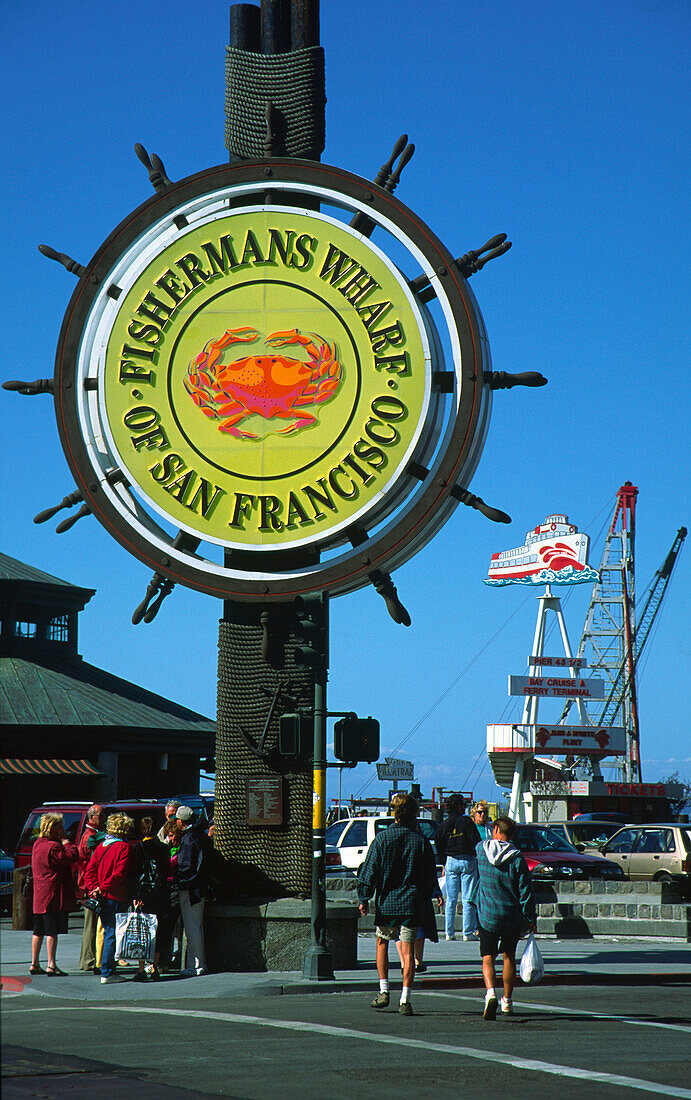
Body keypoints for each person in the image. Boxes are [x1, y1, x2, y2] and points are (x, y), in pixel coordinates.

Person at [357, 793, 442, 1017]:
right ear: (414, 814)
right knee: (408, 951)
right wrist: (431, 894)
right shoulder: (420, 841)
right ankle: (406, 998)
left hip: (388, 903)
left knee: (382, 943)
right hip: (412, 903)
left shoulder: (382, 839)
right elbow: (429, 874)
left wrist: (364, 897)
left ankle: (384, 990)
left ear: (394, 814)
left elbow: (370, 870)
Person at [475, 814, 536, 1020]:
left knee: (487, 957)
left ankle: (491, 992)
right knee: (509, 956)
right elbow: (525, 891)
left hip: (487, 915)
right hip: (510, 915)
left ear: (495, 830)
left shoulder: (481, 850)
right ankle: (507, 1002)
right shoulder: (517, 858)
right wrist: (529, 916)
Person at [85, 812, 135, 985]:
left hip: (102, 896)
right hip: (116, 895)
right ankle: (107, 971)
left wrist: (94, 888)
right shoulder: (124, 847)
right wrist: (103, 887)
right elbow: (119, 873)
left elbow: (89, 871)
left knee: (107, 931)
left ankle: (107, 968)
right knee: (112, 933)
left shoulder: (101, 847)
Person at [30, 812, 79, 976]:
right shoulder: (54, 846)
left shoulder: (37, 844)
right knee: (52, 931)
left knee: (38, 930)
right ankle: (51, 964)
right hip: (52, 893)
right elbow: (72, 856)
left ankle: (34, 963)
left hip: (39, 893)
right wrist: (66, 842)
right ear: (54, 829)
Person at [435, 794, 480, 941]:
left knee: (451, 898)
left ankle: (449, 932)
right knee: (467, 898)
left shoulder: (444, 823)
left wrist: (443, 862)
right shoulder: (467, 821)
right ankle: (467, 932)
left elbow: (439, 844)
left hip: (451, 860)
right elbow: (476, 841)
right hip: (467, 859)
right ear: (460, 806)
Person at [132, 816, 171, 981]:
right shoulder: (164, 848)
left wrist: (135, 896)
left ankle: (141, 968)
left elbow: (135, 874)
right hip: (160, 892)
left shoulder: (138, 848)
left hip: (144, 893)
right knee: (158, 930)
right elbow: (165, 871)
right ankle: (155, 967)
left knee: (142, 930)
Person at [176, 806, 210, 976]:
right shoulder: (199, 835)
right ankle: (197, 963)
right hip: (199, 887)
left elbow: (186, 866)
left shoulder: (188, 838)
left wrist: (178, 879)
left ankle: (195, 965)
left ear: (181, 821)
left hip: (190, 889)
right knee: (196, 926)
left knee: (192, 927)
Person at [77, 804, 105, 971]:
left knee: (93, 925)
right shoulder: (90, 837)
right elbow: (84, 866)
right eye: (101, 815)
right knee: (91, 926)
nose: (104, 818)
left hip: (90, 886)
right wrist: (88, 887)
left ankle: (90, 959)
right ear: (92, 817)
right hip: (90, 887)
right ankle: (88, 960)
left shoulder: (91, 835)